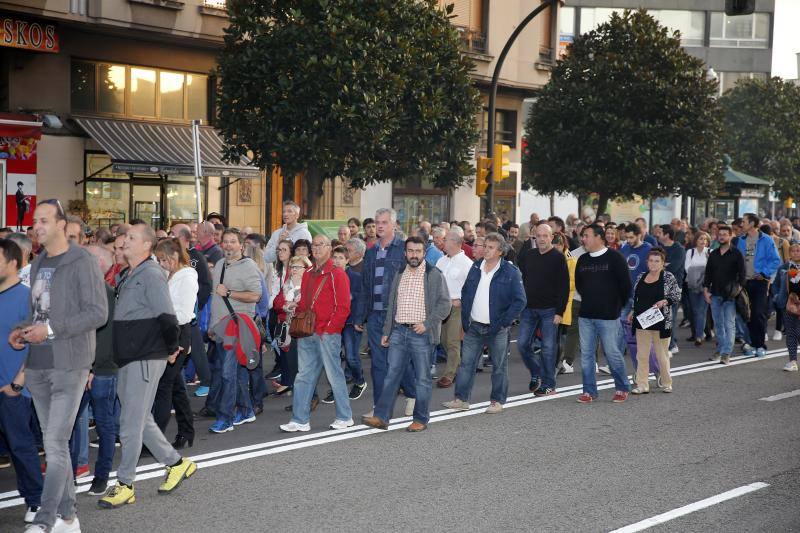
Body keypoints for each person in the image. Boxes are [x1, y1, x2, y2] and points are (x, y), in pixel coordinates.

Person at [9, 200, 107, 531]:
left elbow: (98, 313)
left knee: (53, 442)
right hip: (38, 364)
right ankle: (68, 516)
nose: (36, 226)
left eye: (44, 220)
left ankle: (46, 519)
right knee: (57, 445)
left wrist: (49, 330)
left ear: (62, 224)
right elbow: (39, 313)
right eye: (35, 221)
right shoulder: (37, 263)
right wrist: (22, 330)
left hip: (70, 363)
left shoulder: (82, 261)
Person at [99, 223, 196, 509]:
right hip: (129, 356)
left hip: (145, 356)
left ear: (146, 245)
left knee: (129, 423)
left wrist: (170, 348)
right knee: (140, 419)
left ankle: (126, 483)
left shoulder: (151, 273)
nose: (123, 242)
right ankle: (175, 463)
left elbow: (167, 316)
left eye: (130, 238)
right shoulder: (130, 273)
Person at [362, 236, 451, 431]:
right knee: (391, 375)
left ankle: (420, 419)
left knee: (422, 379)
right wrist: (387, 331)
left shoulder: (434, 274)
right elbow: (392, 305)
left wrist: (427, 324)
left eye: (418, 251)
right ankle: (382, 417)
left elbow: (445, 304)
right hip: (399, 332)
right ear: (405, 253)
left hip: (421, 334)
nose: (414, 255)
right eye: (410, 251)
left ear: (424, 253)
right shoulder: (399, 273)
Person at [443, 233, 526, 413]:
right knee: (466, 364)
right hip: (474, 326)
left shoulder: (510, 272)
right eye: (485, 246)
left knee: (498, 366)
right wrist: (466, 320)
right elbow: (466, 292)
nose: (485, 250)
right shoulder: (475, 267)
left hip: (497, 328)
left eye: (490, 247)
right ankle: (461, 399)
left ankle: (497, 401)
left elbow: (520, 300)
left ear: (500, 252)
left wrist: (504, 322)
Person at [280, 234, 353, 432]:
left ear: (330, 248)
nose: (317, 248)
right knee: (303, 376)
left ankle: (345, 416)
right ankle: (300, 419)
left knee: (334, 375)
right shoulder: (309, 273)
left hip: (326, 333)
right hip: (309, 331)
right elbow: (305, 302)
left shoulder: (337, 274)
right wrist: (296, 307)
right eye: (314, 245)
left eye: (321, 245)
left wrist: (330, 328)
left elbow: (343, 307)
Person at [355, 208, 415, 416]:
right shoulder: (370, 252)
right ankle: (380, 408)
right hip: (374, 315)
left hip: (397, 316)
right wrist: (360, 315)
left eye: (384, 222)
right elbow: (365, 286)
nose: (380, 226)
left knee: (398, 361)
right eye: (377, 222)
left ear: (394, 225)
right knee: (378, 364)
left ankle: (412, 395)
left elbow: (416, 281)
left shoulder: (404, 250)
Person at [0, 239, 43, 525]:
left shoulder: (27, 297)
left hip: (12, 390)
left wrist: (17, 383)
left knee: (20, 446)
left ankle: (36, 500)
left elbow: (39, 345)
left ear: (13, 262)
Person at [207, 229, 263, 433]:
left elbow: (256, 296)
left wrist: (230, 293)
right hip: (221, 327)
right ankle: (247, 410)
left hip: (237, 327)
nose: (228, 245)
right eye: (225, 242)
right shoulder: (220, 264)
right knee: (237, 372)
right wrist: (212, 327)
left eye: (233, 242)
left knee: (227, 373)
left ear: (241, 245)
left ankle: (225, 418)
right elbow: (215, 299)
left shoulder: (249, 267)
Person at [574, 224, 632, 404]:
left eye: (586, 235)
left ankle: (622, 387)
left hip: (608, 315)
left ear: (599, 237)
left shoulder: (615, 258)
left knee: (612, 353)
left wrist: (617, 305)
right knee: (586, 355)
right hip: (586, 315)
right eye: (582, 236)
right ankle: (589, 391)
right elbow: (580, 285)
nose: (583, 239)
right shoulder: (582, 260)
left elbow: (625, 286)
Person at [82, 245, 120, 497]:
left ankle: (102, 476)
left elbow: (103, 336)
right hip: (87, 367)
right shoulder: (91, 290)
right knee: (74, 423)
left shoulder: (103, 291)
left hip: (100, 369)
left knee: (105, 424)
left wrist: (92, 368)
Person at [152, 238, 197, 449]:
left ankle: (156, 441)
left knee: (164, 386)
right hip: (167, 332)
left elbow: (185, 314)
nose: (161, 263)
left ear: (174, 256)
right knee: (176, 387)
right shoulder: (169, 274)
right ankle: (187, 430)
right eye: (159, 259)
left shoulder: (187, 277)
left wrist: (160, 316)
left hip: (178, 334)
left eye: (163, 259)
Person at [517, 223, 569, 396]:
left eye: (545, 236)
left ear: (551, 237)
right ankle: (536, 372)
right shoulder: (529, 255)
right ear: (534, 237)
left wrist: (559, 312)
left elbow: (564, 286)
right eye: (538, 236)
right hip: (529, 308)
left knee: (548, 348)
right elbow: (523, 279)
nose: (541, 239)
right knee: (523, 344)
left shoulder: (558, 257)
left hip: (550, 310)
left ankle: (549, 384)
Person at [628, 249, 680, 394]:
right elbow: (636, 297)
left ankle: (667, 383)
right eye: (651, 260)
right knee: (642, 355)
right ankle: (642, 385)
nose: (653, 264)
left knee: (661, 355)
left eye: (657, 261)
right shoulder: (641, 276)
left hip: (661, 322)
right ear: (647, 262)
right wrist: (632, 311)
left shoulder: (668, 277)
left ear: (663, 263)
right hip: (642, 321)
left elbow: (676, 295)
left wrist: (665, 301)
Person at [170, 223, 212, 397]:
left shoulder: (196, 257)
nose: (170, 237)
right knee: (186, 348)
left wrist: (197, 306)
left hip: (191, 312)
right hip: (176, 312)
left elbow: (206, 283)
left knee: (195, 347)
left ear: (183, 238)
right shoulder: (174, 257)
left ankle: (206, 381)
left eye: (173, 234)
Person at [737, 213, 781, 357]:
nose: (741, 224)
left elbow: (775, 260)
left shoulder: (766, 239)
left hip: (760, 282)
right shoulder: (740, 241)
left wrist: (764, 273)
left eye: (743, 222)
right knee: (748, 314)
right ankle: (751, 344)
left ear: (752, 223)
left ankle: (760, 345)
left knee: (759, 314)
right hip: (745, 282)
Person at [434, 230, 474, 388]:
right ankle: (460, 365)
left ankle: (450, 374)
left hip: (456, 308)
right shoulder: (441, 261)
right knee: (442, 340)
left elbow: (471, 289)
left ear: (457, 243)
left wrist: (461, 301)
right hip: (440, 307)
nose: (443, 241)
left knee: (452, 341)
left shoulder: (467, 263)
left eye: (447, 239)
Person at [328, 245, 366, 401]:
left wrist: (359, 320)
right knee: (333, 357)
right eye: (334, 257)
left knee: (351, 356)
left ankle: (360, 381)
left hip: (350, 323)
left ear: (347, 261)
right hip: (333, 323)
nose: (337, 261)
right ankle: (336, 389)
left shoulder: (355, 277)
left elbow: (361, 300)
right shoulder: (328, 277)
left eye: (341, 258)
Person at [703, 225, 745, 365]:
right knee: (718, 324)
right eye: (719, 234)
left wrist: (738, 289)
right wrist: (705, 290)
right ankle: (720, 349)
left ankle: (726, 353)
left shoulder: (737, 254)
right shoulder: (714, 254)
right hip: (715, 293)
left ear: (730, 236)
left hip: (730, 295)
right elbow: (708, 273)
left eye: (724, 234)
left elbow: (743, 274)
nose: (721, 236)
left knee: (729, 324)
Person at [271, 255, 312, 396]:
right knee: (292, 363)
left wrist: (293, 305)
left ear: (306, 269)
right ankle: (298, 396)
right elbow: (276, 303)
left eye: (298, 267)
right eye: (292, 267)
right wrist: (286, 306)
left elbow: (308, 305)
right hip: (288, 328)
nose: (294, 270)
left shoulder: (309, 283)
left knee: (304, 365)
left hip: (304, 328)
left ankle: (307, 396)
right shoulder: (287, 284)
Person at [658, 225, 686, 354]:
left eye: (660, 233)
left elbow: (673, 267)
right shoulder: (659, 247)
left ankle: (672, 345)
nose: (657, 235)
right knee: (662, 316)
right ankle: (669, 342)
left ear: (667, 235)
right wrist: (662, 265)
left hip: (674, 287)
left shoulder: (678, 249)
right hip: (659, 286)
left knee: (671, 316)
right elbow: (652, 264)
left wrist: (661, 266)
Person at [685, 232, 711, 346]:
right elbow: (687, 268)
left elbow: (711, 268)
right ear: (696, 240)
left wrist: (700, 273)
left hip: (706, 286)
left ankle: (699, 336)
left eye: (705, 239)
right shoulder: (690, 252)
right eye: (701, 239)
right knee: (695, 311)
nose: (703, 241)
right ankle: (701, 332)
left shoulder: (710, 252)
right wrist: (701, 272)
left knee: (702, 311)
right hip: (693, 284)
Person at [779, 243, 800, 371]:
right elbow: (777, 285)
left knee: (798, 332)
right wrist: (778, 298)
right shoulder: (784, 268)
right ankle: (792, 361)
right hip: (789, 304)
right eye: (793, 251)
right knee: (791, 333)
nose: (796, 253)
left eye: (798, 250)